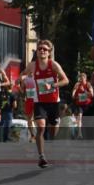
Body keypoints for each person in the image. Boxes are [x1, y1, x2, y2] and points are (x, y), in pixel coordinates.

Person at [24, 39, 69, 168]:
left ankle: (54, 149)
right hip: (40, 102)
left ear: (49, 52)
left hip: (53, 102)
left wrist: (53, 85)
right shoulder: (32, 65)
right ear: (37, 52)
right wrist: (22, 80)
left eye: (45, 49)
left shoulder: (54, 65)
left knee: (53, 130)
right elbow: (22, 75)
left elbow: (66, 80)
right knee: (41, 127)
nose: (42, 51)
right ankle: (41, 156)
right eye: (40, 49)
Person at [71, 72, 94, 137]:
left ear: (85, 78)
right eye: (80, 78)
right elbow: (73, 94)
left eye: (83, 78)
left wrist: (84, 91)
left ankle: (89, 134)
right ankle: (79, 134)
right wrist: (75, 96)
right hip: (79, 104)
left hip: (87, 104)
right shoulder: (77, 84)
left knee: (88, 120)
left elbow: (92, 95)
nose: (81, 80)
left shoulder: (88, 84)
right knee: (79, 117)